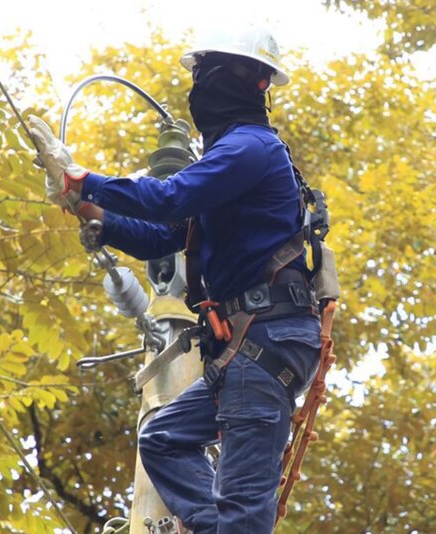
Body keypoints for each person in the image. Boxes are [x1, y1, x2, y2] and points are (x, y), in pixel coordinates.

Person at [28, 26, 321, 533]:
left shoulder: (251, 148)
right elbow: (159, 236)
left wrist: (84, 178)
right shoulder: (229, 165)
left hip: (264, 342)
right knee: (163, 437)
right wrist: (84, 205)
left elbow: (169, 198)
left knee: (242, 509)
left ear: (249, 80)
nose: (199, 87)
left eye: (207, 73)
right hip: (246, 348)